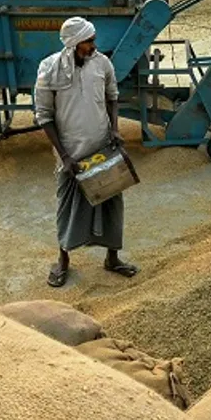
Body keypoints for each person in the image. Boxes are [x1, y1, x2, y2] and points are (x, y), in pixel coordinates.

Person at [34, 17, 137, 287]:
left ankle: (112, 258)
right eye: (88, 42)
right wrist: (65, 156)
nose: (93, 46)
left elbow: (112, 96)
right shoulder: (48, 69)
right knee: (67, 207)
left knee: (112, 204)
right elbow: (44, 116)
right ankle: (63, 260)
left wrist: (114, 129)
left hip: (103, 147)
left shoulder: (102, 63)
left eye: (93, 40)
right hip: (71, 154)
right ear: (73, 43)